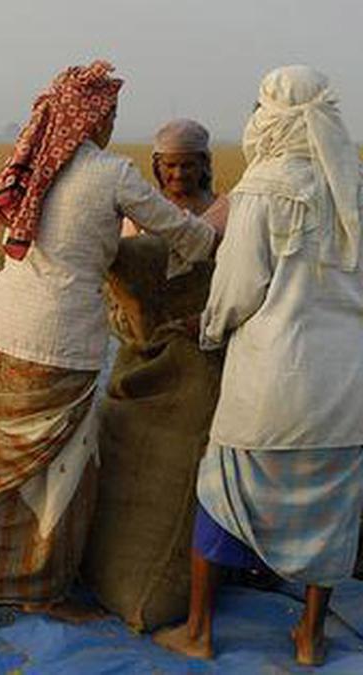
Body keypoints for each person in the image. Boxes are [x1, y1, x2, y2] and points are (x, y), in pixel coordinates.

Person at [0, 61, 218, 633]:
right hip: (59, 341)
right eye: (110, 114)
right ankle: (35, 592)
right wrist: (227, 245)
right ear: (95, 117)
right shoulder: (110, 173)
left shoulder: (34, 166)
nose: (111, 124)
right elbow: (184, 232)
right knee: (65, 472)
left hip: (1, 328)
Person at [153, 65, 363, 667]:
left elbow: (238, 286)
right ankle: (310, 636)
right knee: (332, 506)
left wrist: (209, 330)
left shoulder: (261, 190)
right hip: (344, 384)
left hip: (274, 381)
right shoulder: (353, 185)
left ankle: (198, 630)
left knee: (221, 491)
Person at [122, 118, 230, 239]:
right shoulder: (142, 207)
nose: (178, 174)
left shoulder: (227, 211)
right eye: (170, 165)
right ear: (157, 166)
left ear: (203, 164)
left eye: (188, 166)